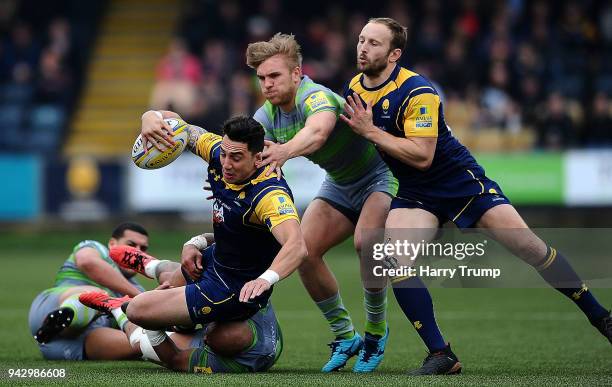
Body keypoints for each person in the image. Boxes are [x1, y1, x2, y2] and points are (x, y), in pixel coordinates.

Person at [341, 17, 612, 375]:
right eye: (362, 39)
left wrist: (371, 132)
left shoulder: (417, 91)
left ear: (395, 54)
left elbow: (422, 156)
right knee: (392, 260)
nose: (363, 47)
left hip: (461, 184)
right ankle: (441, 353)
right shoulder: (355, 87)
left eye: (374, 43)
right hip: (417, 193)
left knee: (532, 249)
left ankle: (601, 317)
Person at [140, 33, 400, 372]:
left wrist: (285, 150)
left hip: (378, 176)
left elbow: (318, 132)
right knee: (303, 251)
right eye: (261, 78)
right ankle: (345, 335)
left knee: (367, 243)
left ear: (296, 73)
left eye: (274, 76)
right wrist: (151, 116)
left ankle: (376, 332)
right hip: (339, 184)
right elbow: (237, 149)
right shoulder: (267, 115)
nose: (266, 84)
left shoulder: (315, 96)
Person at [118, 115, 306, 351]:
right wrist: (149, 118)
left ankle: (121, 315)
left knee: (138, 310)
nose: (226, 163)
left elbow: (297, 245)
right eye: (225, 154)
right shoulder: (219, 151)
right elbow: (181, 127)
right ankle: (161, 287)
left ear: (258, 158)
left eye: (236, 158)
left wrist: (265, 280)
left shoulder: (269, 194)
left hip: (234, 288)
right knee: (171, 282)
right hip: (216, 260)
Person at [79, 244, 283, 373]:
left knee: (142, 345)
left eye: (208, 340)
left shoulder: (230, 363)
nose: (205, 336)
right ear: (241, 318)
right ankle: (151, 265)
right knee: (192, 272)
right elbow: (234, 242)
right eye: (213, 328)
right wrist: (196, 243)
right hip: (231, 308)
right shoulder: (251, 302)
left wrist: (152, 322)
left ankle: (116, 307)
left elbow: (174, 359)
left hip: (223, 334)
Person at [28, 222, 160, 360]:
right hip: (51, 307)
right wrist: (139, 297)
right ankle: (68, 315)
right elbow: (87, 262)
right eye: (131, 245)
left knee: (145, 341)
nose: (137, 252)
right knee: (98, 296)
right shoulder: (97, 249)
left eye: (143, 248)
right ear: (112, 243)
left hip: (78, 343)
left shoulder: (139, 289)